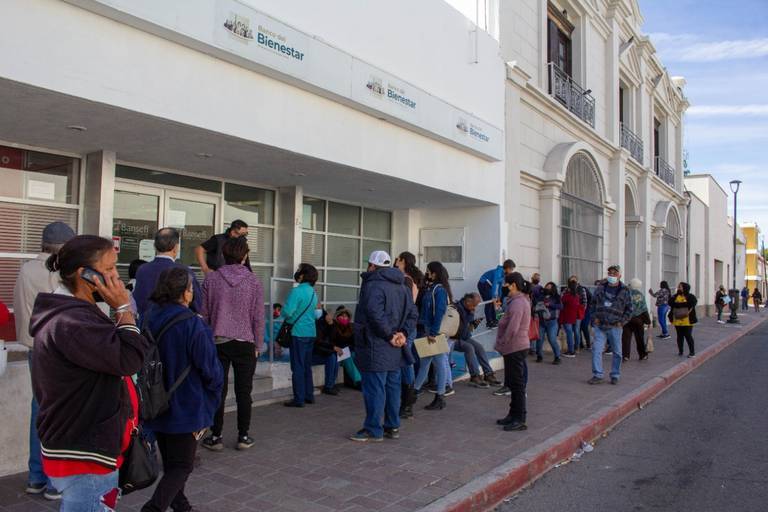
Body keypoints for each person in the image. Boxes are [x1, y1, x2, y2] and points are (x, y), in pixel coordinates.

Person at [29, 235, 150, 511]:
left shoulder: (76, 313)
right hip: (84, 449)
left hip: (87, 441)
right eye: (108, 269)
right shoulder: (72, 321)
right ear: (85, 274)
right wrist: (122, 308)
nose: (115, 278)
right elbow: (129, 358)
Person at [141, 267, 223, 512]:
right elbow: (211, 370)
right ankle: (154, 508)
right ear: (186, 293)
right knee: (181, 466)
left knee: (172, 461)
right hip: (186, 406)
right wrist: (214, 396)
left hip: (154, 401)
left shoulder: (148, 317)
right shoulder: (193, 325)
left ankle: (181, 505)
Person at [12, 221, 75, 501]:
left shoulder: (26, 269)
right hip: (60, 351)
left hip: (33, 348)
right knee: (60, 414)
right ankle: (54, 481)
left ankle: (35, 477)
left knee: (39, 410)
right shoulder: (62, 271)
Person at [200, 237, 263, 451]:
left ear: (223, 255)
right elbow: (258, 316)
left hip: (218, 341)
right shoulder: (253, 281)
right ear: (244, 256)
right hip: (246, 341)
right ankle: (243, 436)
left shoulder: (211, 279)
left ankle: (216, 436)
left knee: (218, 390)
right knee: (244, 392)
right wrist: (258, 344)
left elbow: (204, 313)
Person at [350, 251, 417, 442]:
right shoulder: (403, 286)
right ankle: (392, 425)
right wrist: (402, 333)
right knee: (392, 388)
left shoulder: (372, 285)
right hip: (395, 346)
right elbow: (413, 313)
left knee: (375, 389)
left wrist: (390, 335)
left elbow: (374, 314)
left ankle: (373, 428)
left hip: (375, 344)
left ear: (372, 266)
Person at [133, 228, 203, 317]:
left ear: (154, 246)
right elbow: (197, 304)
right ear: (176, 247)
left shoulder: (142, 270)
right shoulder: (184, 271)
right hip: (176, 325)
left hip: (147, 325)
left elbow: (138, 301)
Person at [414, 261, 454, 410]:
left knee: (438, 363)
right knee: (426, 362)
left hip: (433, 332)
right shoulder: (435, 288)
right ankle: (415, 392)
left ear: (434, 273)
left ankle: (439, 396)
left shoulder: (439, 290)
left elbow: (439, 312)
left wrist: (433, 332)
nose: (427, 273)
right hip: (430, 330)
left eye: (429, 271)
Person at [495, 273, 532, 432]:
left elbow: (513, 328)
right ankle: (512, 414)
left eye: (506, 284)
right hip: (513, 347)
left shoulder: (518, 303)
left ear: (513, 285)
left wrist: (502, 342)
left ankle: (520, 418)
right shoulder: (517, 301)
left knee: (517, 385)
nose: (504, 287)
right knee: (512, 382)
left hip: (515, 347)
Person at [282, 263, 319, 408]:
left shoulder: (296, 292)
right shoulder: (313, 292)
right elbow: (316, 313)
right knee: (306, 365)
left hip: (298, 332)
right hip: (311, 332)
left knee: (297, 366)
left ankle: (299, 399)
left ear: (303, 275)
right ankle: (309, 395)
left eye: (299, 272)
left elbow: (288, 312)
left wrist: (285, 314)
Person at [588, 265, 633, 385]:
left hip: (615, 326)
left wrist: (621, 321)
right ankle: (597, 374)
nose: (612, 275)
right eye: (610, 273)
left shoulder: (625, 290)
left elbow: (629, 309)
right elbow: (592, 304)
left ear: (620, 275)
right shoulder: (600, 288)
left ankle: (615, 374)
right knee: (596, 350)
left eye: (614, 273)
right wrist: (594, 317)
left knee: (617, 352)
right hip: (600, 325)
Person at [393, 251, 422, 418]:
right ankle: (408, 400)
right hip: (409, 325)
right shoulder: (411, 280)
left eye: (398, 258)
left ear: (402, 261)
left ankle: (407, 401)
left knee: (406, 361)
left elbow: (403, 305)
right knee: (406, 360)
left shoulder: (405, 280)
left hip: (405, 326)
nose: (395, 261)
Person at [453, 292, 501, 388]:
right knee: (469, 348)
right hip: (453, 339)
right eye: (474, 305)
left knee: (479, 347)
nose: (475, 308)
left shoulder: (468, 308)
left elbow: (469, 324)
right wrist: (470, 314)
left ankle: (488, 374)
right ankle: (474, 376)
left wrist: (471, 313)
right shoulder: (457, 308)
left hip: (464, 337)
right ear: (468, 301)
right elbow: (461, 326)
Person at [477, 259, 516, 328]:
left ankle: (494, 320)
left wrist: (499, 296)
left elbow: (500, 286)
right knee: (489, 302)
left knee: (493, 302)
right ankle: (489, 322)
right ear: (507, 267)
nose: (511, 271)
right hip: (483, 284)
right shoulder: (498, 272)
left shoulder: (503, 275)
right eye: (511, 269)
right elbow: (495, 284)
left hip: (489, 285)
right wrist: (493, 296)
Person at [622, 278, 651, 361]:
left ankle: (625, 356)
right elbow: (644, 309)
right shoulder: (640, 295)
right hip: (638, 320)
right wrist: (648, 321)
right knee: (639, 338)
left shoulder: (625, 294)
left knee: (626, 338)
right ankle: (642, 355)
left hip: (626, 319)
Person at [534, 282, 563, 364]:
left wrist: (550, 304)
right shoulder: (541, 296)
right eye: (546, 286)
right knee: (539, 340)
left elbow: (561, 306)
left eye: (549, 287)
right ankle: (539, 355)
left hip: (552, 322)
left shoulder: (556, 297)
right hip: (541, 321)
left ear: (553, 288)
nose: (547, 288)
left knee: (552, 339)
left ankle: (557, 357)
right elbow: (535, 294)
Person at [669, 282, 698, 357]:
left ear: (685, 288)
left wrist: (679, 305)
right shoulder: (675, 296)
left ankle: (692, 352)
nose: (678, 288)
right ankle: (680, 351)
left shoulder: (690, 296)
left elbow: (692, 303)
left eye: (680, 287)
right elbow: (670, 302)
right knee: (679, 336)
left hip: (687, 320)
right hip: (677, 319)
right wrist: (680, 305)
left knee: (688, 335)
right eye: (678, 287)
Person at [560, 279, 582, 358]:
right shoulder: (576, 296)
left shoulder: (567, 296)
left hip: (566, 316)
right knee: (571, 333)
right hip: (573, 317)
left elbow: (561, 302)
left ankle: (571, 351)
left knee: (569, 334)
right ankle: (573, 349)